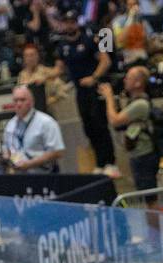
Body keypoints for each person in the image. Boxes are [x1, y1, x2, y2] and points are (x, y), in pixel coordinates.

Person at [54, 10, 117, 177]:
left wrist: (93, 77)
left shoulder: (90, 39)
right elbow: (58, 70)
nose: (69, 25)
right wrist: (39, 74)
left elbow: (106, 61)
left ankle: (110, 162)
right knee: (88, 127)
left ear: (77, 23)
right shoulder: (62, 45)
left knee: (100, 125)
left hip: (95, 89)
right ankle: (100, 162)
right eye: (66, 22)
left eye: (72, 22)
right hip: (80, 92)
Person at [100, 66, 158, 195]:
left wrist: (109, 97)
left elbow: (114, 120)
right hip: (137, 154)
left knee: (149, 198)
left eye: (129, 78)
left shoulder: (140, 104)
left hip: (144, 155)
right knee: (144, 196)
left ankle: (153, 216)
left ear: (138, 83)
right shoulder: (133, 102)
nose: (124, 80)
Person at [0, 85, 65, 173]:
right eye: (16, 100)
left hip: (44, 175)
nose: (18, 104)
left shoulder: (46, 122)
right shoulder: (10, 125)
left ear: (31, 102)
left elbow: (57, 151)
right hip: (19, 176)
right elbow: (8, 149)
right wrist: (12, 160)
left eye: (22, 100)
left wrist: (30, 164)